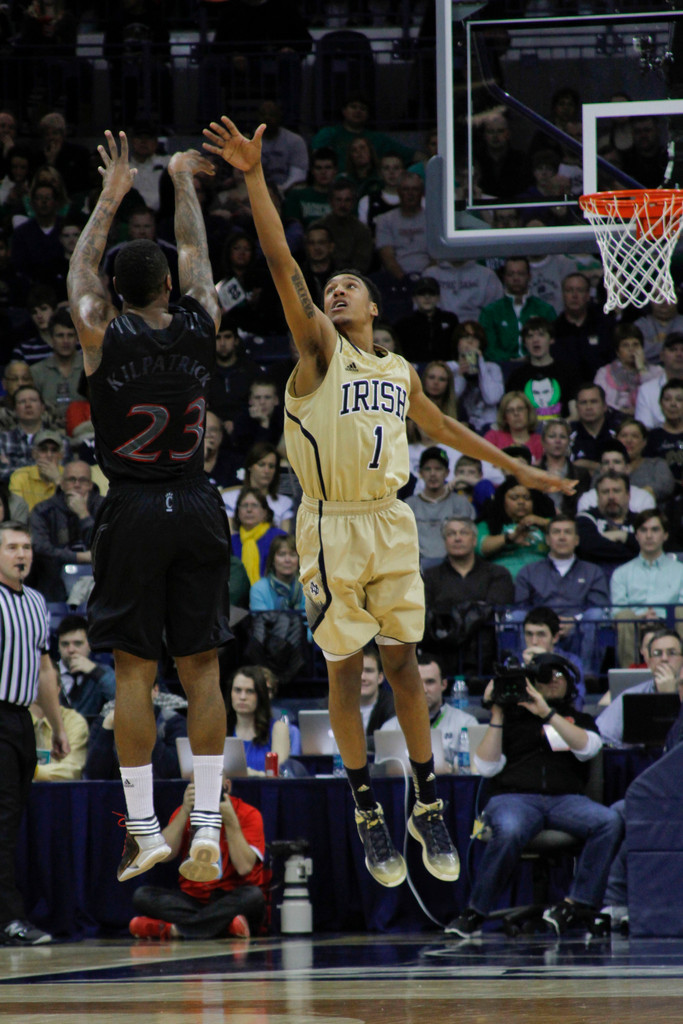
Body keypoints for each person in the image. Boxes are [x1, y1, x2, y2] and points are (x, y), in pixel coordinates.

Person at [202, 113, 575, 888]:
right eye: (328, 288)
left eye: (349, 287)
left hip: (392, 522)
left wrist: (526, 474)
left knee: (405, 665)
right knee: (346, 676)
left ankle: (425, 799)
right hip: (331, 526)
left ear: (373, 307)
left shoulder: (399, 368)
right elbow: (280, 262)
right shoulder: (317, 351)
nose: (334, 291)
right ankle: (365, 802)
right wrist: (252, 177)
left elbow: (444, 428)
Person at [67, 131, 232, 885]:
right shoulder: (200, 320)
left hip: (132, 508)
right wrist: (179, 183)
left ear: (116, 293)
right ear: (166, 285)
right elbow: (198, 258)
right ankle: (205, 826)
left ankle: (142, 828)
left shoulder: (103, 331)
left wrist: (113, 191)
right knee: (202, 671)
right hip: (198, 501)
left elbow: (78, 274)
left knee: (134, 672)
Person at [445, 652, 622, 937]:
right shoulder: (511, 721)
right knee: (511, 828)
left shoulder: (579, 719)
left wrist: (547, 714)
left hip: (566, 800)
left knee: (609, 821)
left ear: (571, 682)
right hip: (513, 799)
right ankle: (475, 913)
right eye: (543, 677)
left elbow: (588, 748)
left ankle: (575, 904)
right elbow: (487, 767)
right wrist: (498, 712)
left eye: (558, 675)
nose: (551, 681)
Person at [0, 521, 69, 945]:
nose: (21, 554)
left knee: (12, 821)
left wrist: (57, 726)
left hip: (22, 720)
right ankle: (10, 919)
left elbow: (45, 670)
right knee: (4, 822)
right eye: (11, 547)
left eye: (26, 547)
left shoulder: (38, 602)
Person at [129, 775, 266, 940]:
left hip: (230, 895)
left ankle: (173, 930)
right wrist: (185, 812)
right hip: (192, 898)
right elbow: (163, 855)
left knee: (254, 897)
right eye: (199, 787)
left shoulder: (248, 813)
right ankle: (226, 926)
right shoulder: (185, 812)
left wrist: (230, 821)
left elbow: (244, 867)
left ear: (227, 787)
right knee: (142, 896)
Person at [514, 515, 609, 675]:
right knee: (517, 617)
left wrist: (574, 621)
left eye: (567, 532)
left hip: (579, 629)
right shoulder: (528, 571)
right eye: (557, 532)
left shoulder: (593, 571)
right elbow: (521, 606)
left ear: (577, 540)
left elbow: (598, 605)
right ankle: (527, 672)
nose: (562, 537)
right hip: (540, 630)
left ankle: (585, 676)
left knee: (596, 615)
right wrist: (547, 625)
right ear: (548, 539)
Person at [423, 516, 514, 677]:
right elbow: (425, 613)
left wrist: (450, 614)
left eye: (463, 533)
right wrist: (472, 610)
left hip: (485, 654)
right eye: (451, 534)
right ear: (444, 541)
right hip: (442, 654)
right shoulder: (429, 577)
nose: (457, 538)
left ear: (474, 540)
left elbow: (494, 608)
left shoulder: (497, 574)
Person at [610, 510, 683, 668]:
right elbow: (617, 609)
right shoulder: (621, 573)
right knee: (623, 615)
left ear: (665, 535)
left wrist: (661, 617)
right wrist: (640, 617)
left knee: (681, 611)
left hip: (670, 623)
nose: (649, 535)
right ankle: (629, 674)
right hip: (634, 625)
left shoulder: (680, 570)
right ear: (636, 535)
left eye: (655, 530)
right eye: (643, 530)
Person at [381, 653, 478, 769]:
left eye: (430, 682)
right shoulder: (390, 728)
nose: (423, 690)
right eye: (416, 682)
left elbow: (472, 771)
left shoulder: (467, 723)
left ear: (444, 684)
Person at [28, 460, 103, 602]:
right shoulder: (43, 510)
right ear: (62, 484)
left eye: (83, 480)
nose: (77, 485)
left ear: (90, 485)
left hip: (99, 578)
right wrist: (79, 557)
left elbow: (107, 547)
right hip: (54, 581)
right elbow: (40, 548)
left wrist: (84, 515)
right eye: (71, 480)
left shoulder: (104, 507)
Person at [84, 680, 188, 781]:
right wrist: (107, 729)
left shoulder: (173, 722)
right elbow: (93, 777)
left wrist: (145, 727)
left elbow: (172, 773)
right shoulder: (104, 722)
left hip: (162, 793)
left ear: (155, 691)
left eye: (140, 689)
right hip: (115, 794)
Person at [596, 629, 683, 747]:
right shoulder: (632, 696)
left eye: (672, 653)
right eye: (657, 653)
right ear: (649, 661)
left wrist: (669, 697)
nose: (664, 659)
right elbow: (602, 735)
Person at [405, 446, 474, 568]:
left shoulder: (461, 503)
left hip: (453, 565)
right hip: (416, 567)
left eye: (438, 469)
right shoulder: (408, 505)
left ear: (447, 472)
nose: (433, 474)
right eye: (428, 469)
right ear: (421, 473)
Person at [479, 257, 556, 364]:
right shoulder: (490, 312)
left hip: (538, 364)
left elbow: (554, 343)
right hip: (501, 367)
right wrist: (509, 360)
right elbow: (488, 347)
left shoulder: (545, 310)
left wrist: (530, 358)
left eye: (520, 274)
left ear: (529, 276)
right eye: (511, 274)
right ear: (504, 277)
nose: (516, 278)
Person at [476, 476, 553, 580]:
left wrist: (541, 522)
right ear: (502, 501)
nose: (521, 502)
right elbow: (481, 548)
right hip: (503, 583)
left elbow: (566, 534)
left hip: (542, 584)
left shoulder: (545, 523)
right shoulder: (490, 523)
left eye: (527, 498)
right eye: (514, 497)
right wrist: (509, 538)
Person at [505, 317, 575, 421]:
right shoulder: (516, 376)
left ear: (551, 339)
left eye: (541, 335)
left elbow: (575, 415)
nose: (535, 340)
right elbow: (510, 415)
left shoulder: (567, 372)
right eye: (530, 336)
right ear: (525, 343)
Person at [576, 470, 639, 582]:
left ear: (628, 495)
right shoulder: (585, 518)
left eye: (616, 491)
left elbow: (654, 546)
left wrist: (623, 536)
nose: (611, 496)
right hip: (595, 578)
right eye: (605, 492)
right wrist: (633, 548)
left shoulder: (641, 521)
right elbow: (589, 548)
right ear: (597, 496)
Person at [227, 666, 289, 775]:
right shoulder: (221, 729)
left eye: (250, 691)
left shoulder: (278, 728)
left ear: (261, 695)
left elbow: (277, 776)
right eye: (237, 690)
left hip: (265, 791)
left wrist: (249, 774)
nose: (242, 697)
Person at [552, 273, 614, 381]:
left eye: (579, 290)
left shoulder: (605, 325)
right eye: (569, 290)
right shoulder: (554, 329)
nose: (574, 295)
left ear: (588, 295)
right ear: (563, 295)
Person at [30, 309, 84, 427]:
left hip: (84, 431)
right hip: (47, 431)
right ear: (51, 339)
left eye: (70, 335)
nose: (65, 341)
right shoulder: (36, 371)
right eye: (60, 335)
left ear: (77, 338)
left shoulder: (89, 369)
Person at [221, 442, 293, 531]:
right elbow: (230, 536)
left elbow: (285, 540)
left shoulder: (284, 503)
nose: (267, 471)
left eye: (271, 466)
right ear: (250, 466)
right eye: (261, 464)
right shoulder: (230, 498)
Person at [56, 614, 116, 718]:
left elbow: (121, 699)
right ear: (58, 646)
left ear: (89, 645)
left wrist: (95, 671)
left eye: (78, 643)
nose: (71, 650)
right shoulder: (48, 673)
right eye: (65, 644)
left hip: (91, 733)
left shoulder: (102, 672)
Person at [448, 323, 505, 434]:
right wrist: (460, 375)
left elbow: (492, 398)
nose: (470, 342)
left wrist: (480, 364)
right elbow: (450, 399)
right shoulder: (450, 368)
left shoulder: (492, 368)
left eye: (475, 338)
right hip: (459, 427)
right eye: (465, 337)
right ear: (457, 342)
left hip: (489, 427)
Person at [594, 325, 659, 417]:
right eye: (625, 345)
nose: (631, 350)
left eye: (635, 345)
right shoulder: (603, 373)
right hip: (614, 418)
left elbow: (655, 399)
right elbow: (601, 402)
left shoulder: (657, 372)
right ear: (617, 351)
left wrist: (641, 368)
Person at [374, 172, 429, 281]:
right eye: (406, 189)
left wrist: (425, 279)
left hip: (429, 278)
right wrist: (404, 280)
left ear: (422, 193)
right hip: (396, 278)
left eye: (415, 189)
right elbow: (387, 257)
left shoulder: (432, 219)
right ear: (398, 192)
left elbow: (436, 257)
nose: (410, 193)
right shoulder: (385, 220)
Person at [393, 277, 459, 364]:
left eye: (432, 293)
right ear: (414, 298)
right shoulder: (404, 324)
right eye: (422, 293)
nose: (427, 297)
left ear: (438, 297)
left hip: (445, 368)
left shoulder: (450, 319)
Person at [230, 486, 286, 585]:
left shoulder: (278, 537)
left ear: (265, 512)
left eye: (254, 505)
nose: (249, 510)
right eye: (244, 505)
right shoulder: (231, 542)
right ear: (238, 512)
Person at [537, 418, 591, 516]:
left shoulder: (581, 474)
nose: (558, 441)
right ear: (543, 441)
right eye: (552, 436)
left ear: (569, 441)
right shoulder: (534, 471)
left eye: (562, 437)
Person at [616, 417, 676, 504]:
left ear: (644, 442)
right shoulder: (607, 466)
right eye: (624, 436)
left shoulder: (657, 464)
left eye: (635, 436)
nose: (629, 440)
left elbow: (666, 486)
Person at [30, 698, 88, 781]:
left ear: (58, 688)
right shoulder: (14, 719)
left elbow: (72, 770)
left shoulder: (73, 721)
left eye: (48, 685)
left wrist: (33, 771)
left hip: (60, 791)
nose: (39, 688)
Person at [9, 429, 65, 512]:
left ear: (61, 455)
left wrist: (57, 479)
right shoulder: (20, 476)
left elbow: (73, 511)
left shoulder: (68, 475)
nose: (49, 455)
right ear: (34, 454)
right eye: (43, 450)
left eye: (54, 450)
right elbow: (17, 513)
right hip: (29, 524)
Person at [635, 333, 683, 428]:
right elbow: (643, 430)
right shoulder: (647, 390)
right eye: (673, 350)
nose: (679, 354)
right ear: (662, 356)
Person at [249, 534, 305, 614]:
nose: (287, 560)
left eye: (292, 554)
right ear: (272, 560)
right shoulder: (259, 589)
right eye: (282, 554)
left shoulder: (307, 589)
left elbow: (311, 624)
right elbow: (261, 623)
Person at [569, 383, 619, 473]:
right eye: (583, 402)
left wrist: (587, 464)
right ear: (577, 407)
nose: (588, 407)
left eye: (594, 402)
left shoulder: (619, 431)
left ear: (605, 406)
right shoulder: (567, 433)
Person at [642, 379, 683, 484]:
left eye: (679, 399)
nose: (673, 404)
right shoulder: (652, 437)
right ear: (660, 404)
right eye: (667, 399)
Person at [484, 392, 543, 462]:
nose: (516, 413)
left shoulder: (540, 442)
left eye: (520, 409)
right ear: (504, 417)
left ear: (528, 412)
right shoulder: (493, 437)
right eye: (511, 410)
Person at [633, 298, 683, 364]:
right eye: (657, 296)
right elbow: (636, 351)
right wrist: (671, 345)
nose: (663, 301)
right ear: (650, 300)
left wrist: (655, 343)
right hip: (647, 370)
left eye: (668, 296)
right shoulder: (640, 325)